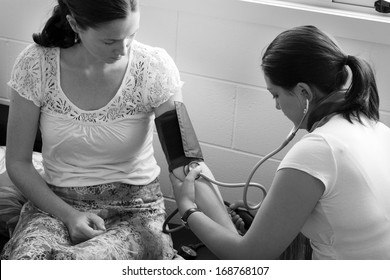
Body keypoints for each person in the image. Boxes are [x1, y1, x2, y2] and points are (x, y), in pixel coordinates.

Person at [1, 0, 235, 260]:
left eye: (131, 35)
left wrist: (238, 246)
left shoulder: (153, 68)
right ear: (75, 24)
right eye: (109, 41)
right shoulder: (35, 65)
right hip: (56, 206)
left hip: (135, 213)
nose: (123, 50)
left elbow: (188, 166)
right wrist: (70, 216)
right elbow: (18, 162)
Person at [170, 25, 390, 260]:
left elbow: (249, 257)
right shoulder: (377, 129)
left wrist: (188, 210)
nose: (276, 105)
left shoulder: (318, 150)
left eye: (276, 94)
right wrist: (264, 227)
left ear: (304, 92)